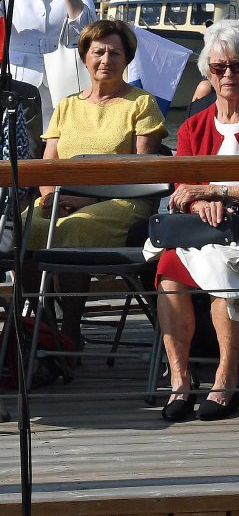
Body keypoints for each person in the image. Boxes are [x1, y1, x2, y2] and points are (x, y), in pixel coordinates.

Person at [155, 21, 239, 422]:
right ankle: (180, 378)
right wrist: (201, 203)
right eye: (219, 67)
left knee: (223, 269)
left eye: (238, 66)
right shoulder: (193, 126)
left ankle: (225, 378)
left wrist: (217, 193)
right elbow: (182, 186)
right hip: (202, 230)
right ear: (208, 72)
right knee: (168, 270)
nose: (228, 74)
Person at [26, 19, 167, 346]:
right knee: (22, 230)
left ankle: (70, 332)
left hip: (123, 201)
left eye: (115, 53)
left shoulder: (141, 103)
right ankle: (42, 324)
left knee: (75, 228)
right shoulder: (66, 106)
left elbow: (141, 172)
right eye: (98, 52)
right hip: (61, 200)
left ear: (127, 59)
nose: (106, 60)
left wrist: (85, 200)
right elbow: (47, 165)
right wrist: (49, 197)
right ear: (85, 57)